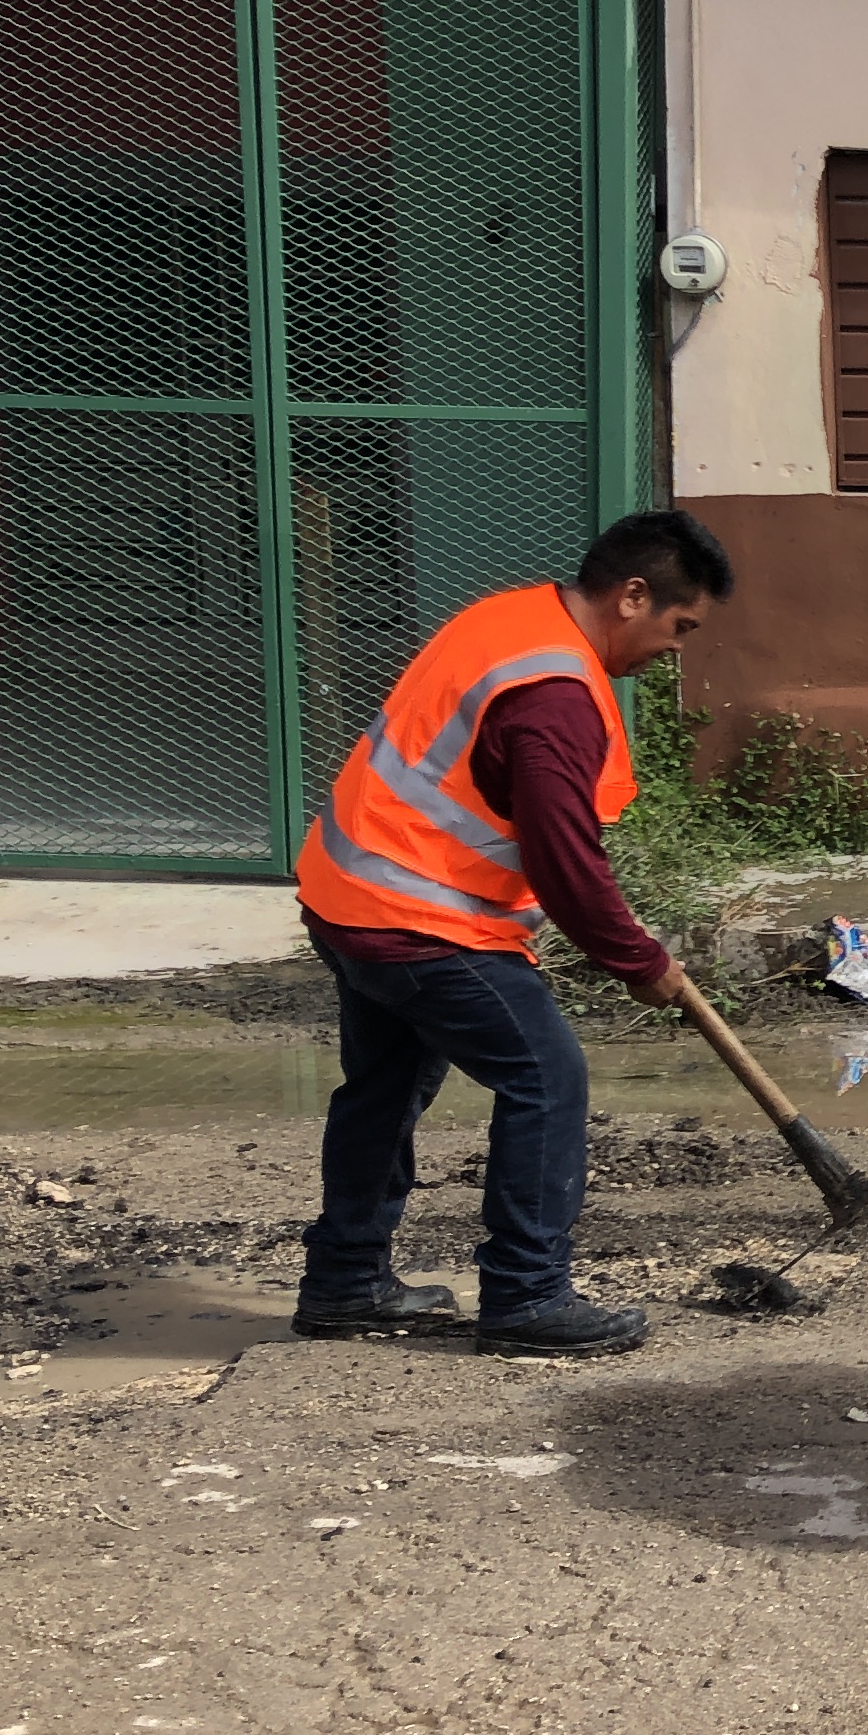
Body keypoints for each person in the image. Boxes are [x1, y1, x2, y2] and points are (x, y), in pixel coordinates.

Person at [290, 509, 727, 1359]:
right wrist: (637, 961)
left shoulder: (509, 620)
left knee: (385, 1087)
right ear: (633, 596)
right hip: (423, 921)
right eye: (681, 627)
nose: (676, 650)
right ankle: (527, 1297)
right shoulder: (556, 695)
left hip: (349, 897)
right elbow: (562, 857)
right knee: (546, 1079)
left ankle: (344, 1282)